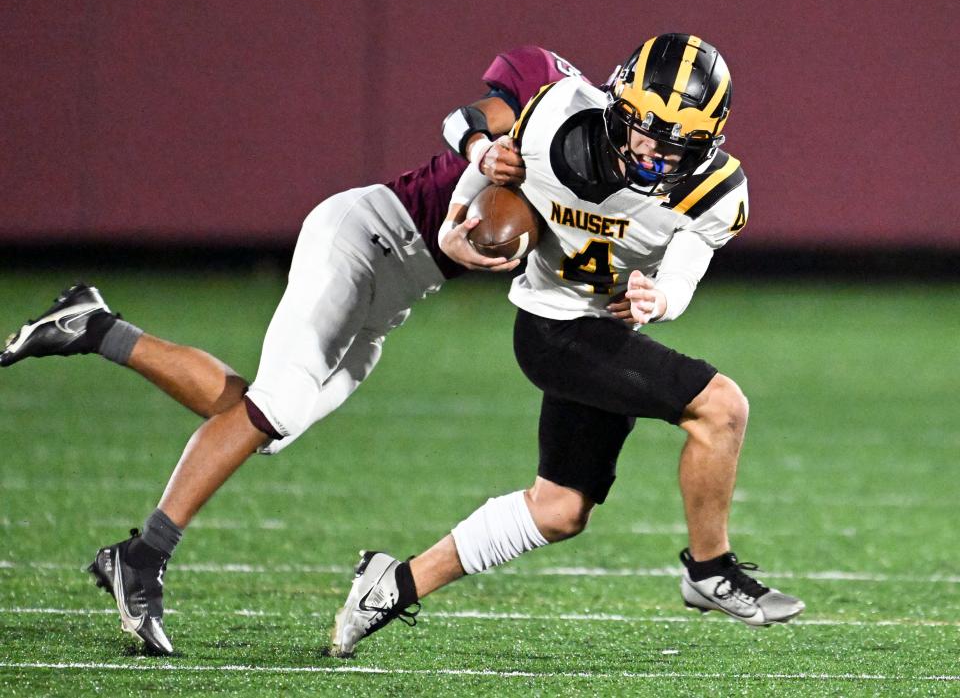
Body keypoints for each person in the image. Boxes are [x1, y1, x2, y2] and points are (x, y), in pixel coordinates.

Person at [0, 46, 599, 655]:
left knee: (268, 424)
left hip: (393, 300)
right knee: (278, 405)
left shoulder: (611, 184)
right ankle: (144, 555)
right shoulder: (559, 103)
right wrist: (480, 154)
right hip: (364, 236)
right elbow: (463, 122)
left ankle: (94, 328)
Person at [328, 33, 805, 658]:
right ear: (617, 104)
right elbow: (461, 199)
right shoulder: (555, 117)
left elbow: (682, 275)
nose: (654, 152)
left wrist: (657, 301)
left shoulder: (716, 189)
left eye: (676, 144)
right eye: (644, 131)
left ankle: (393, 584)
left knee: (558, 510)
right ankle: (709, 570)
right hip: (553, 327)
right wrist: (471, 193)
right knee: (722, 408)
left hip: (603, 330)